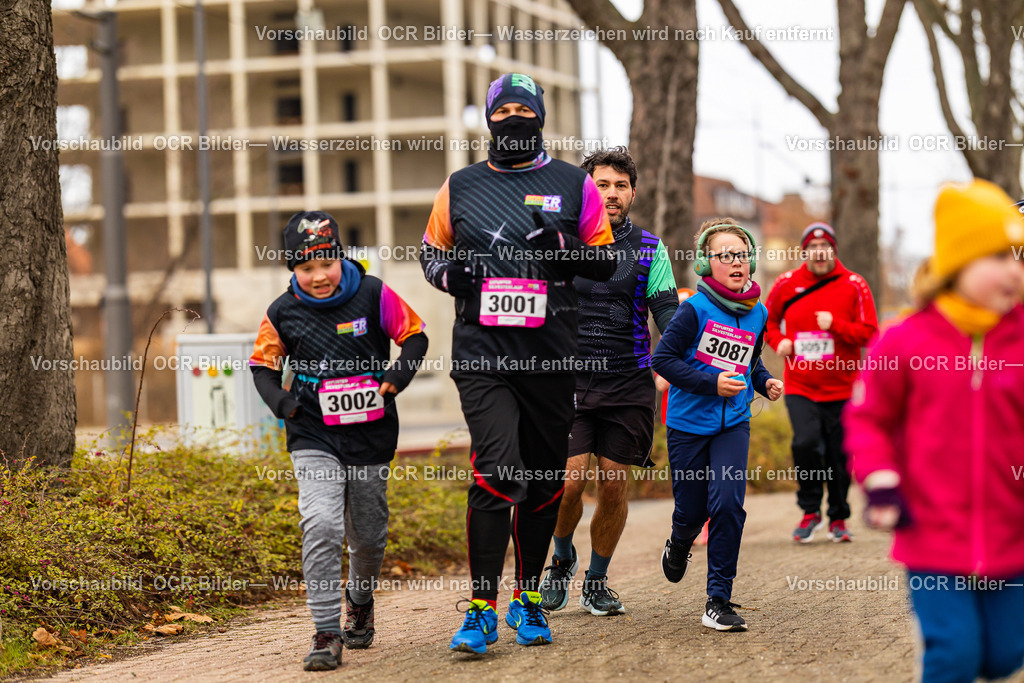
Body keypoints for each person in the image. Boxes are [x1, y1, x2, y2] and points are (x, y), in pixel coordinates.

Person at [419, 73, 615, 653]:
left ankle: (527, 599)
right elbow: (431, 253)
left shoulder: (573, 184)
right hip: (484, 356)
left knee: (542, 479)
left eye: (522, 110)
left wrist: (565, 251)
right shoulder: (460, 186)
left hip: (551, 359)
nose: (512, 119)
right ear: (487, 120)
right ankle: (480, 609)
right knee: (498, 468)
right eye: (501, 110)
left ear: (540, 118)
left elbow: (606, 263)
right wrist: (452, 274)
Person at [845, 179, 1024, 683]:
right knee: (955, 656)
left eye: (1018, 255)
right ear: (958, 263)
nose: (1014, 268)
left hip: (1013, 536)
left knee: (1006, 655)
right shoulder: (905, 340)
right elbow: (869, 419)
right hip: (932, 536)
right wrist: (879, 477)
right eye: (998, 256)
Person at [249, 211, 428, 671]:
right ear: (292, 270)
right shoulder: (281, 311)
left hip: (369, 429)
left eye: (325, 264)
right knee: (322, 523)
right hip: (312, 429)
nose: (317, 276)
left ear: (340, 258)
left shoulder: (373, 293)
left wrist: (398, 375)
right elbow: (262, 366)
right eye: (304, 269)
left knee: (367, 535)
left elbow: (414, 336)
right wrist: (283, 404)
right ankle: (327, 632)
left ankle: (360, 599)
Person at [538, 146, 679, 617]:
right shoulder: (561, 242)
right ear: (585, 190)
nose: (612, 193)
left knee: (614, 487)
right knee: (569, 482)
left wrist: (673, 361)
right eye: (602, 184)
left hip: (629, 383)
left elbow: (667, 314)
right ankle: (561, 559)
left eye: (621, 185)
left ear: (633, 193)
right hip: (568, 382)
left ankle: (596, 580)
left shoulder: (650, 249)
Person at [652, 219, 783, 632]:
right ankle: (679, 540)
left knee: (727, 505)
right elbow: (663, 361)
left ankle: (718, 599)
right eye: (725, 255)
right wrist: (711, 383)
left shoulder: (759, 311)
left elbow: (750, 360)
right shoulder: (694, 310)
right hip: (689, 424)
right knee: (691, 511)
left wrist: (763, 382)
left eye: (742, 254)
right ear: (707, 264)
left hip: (734, 424)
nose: (736, 261)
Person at [764, 222, 878, 543]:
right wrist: (779, 341)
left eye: (825, 247)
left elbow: (870, 332)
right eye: (813, 249)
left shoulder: (854, 284)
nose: (819, 253)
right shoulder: (786, 283)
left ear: (834, 250)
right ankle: (810, 511)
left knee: (840, 454)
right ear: (805, 252)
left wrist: (837, 325)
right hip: (801, 384)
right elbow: (769, 321)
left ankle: (839, 517)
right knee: (805, 443)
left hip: (843, 387)